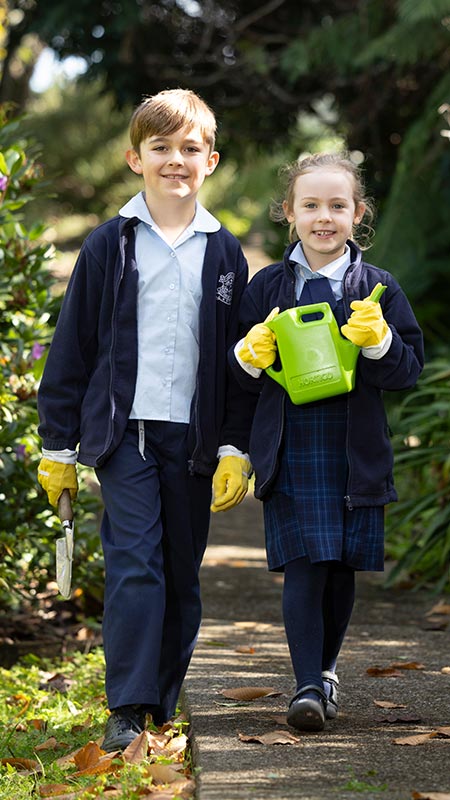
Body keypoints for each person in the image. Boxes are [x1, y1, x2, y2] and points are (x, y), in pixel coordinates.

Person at [37, 88, 252, 751]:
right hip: (123, 435)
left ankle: (159, 700)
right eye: (161, 148)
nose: (175, 160)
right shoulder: (109, 246)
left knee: (181, 572)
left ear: (210, 160)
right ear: (136, 158)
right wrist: (57, 445)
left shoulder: (226, 255)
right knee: (136, 566)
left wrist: (234, 447)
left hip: (191, 442)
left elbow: (240, 363)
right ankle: (127, 706)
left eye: (190, 149)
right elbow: (72, 348)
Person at [212, 152, 424, 732]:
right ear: (290, 214)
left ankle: (325, 671)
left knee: (339, 568)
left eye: (337, 205)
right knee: (305, 563)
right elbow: (237, 380)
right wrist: (245, 357)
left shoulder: (379, 288)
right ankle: (307, 685)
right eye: (310, 206)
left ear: (358, 214)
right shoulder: (267, 288)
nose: (323, 217)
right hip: (289, 446)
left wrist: (380, 342)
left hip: (355, 453)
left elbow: (407, 371)